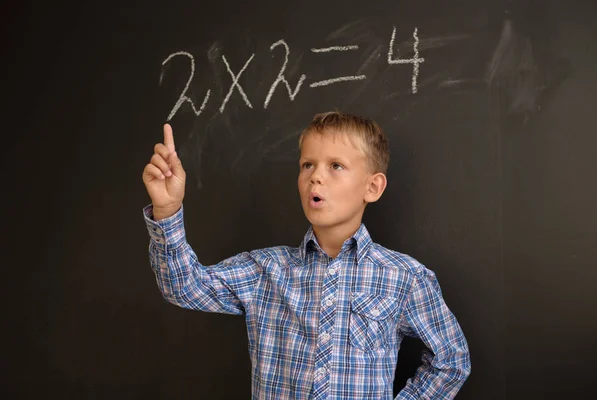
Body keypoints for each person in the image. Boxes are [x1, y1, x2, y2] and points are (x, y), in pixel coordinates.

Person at [142, 111, 471, 399]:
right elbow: (184, 287)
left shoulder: (405, 277)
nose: (315, 175)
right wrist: (167, 209)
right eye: (307, 164)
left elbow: (451, 359)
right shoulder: (266, 269)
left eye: (336, 166)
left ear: (372, 187)